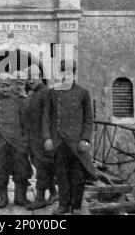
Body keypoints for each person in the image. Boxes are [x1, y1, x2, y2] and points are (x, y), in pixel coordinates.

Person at [43, 60, 97, 215]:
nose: (66, 75)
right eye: (63, 72)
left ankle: (76, 206)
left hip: (77, 142)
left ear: (73, 74)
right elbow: (46, 117)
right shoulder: (52, 93)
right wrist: (47, 137)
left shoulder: (82, 93)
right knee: (61, 175)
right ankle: (63, 205)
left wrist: (85, 139)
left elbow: (88, 119)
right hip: (59, 141)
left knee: (78, 176)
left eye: (69, 72)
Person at [0, 73, 32, 208]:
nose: (5, 89)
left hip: (17, 144)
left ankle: (20, 197)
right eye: (2, 86)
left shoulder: (19, 102)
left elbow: (26, 124)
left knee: (21, 171)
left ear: (11, 87)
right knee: (0, 172)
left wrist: (25, 141)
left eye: (7, 86)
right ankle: (3, 198)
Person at [23, 65, 58, 210]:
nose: (30, 80)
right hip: (33, 137)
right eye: (28, 77)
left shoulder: (46, 93)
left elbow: (48, 117)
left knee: (43, 168)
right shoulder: (33, 94)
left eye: (33, 77)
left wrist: (47, 137)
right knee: (40, 165)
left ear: (40, 76)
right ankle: (54, 193)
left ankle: (40, 198)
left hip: (42, 138)